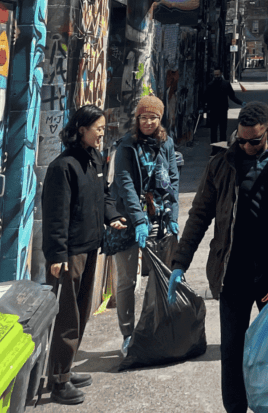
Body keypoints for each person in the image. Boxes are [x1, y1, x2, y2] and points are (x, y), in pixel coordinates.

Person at [167, 101, 268, 413]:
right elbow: (199, 215)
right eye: (242, 140)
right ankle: (235, 408)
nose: (247, 146)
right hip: (233, 272)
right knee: (233, 349)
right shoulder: (221, 162)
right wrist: (180, 262)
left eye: (255, 141)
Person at [42, 105, 125, 405]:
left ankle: (66, 368)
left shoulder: (95, 158)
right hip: (69, 254)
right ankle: (58, 381)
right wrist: (56, 255)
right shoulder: (62, 167)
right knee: (67, 316)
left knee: (82, 310)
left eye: (103, 127)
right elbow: (55, 216)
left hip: (91, 247)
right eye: (98, 128)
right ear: (81, 130)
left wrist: (111, 216)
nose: (102, 132)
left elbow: (103, 195)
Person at [108, 95, 180, 357]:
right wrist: (138, 220)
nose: (148, 122)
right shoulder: (127, 146)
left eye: (153, 117)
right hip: (128, 219)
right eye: (143, 117)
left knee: (158, 277)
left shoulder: (166, 143)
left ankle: (151, 328)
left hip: (158, 217)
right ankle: (127, 334)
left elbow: (173, 179)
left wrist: (173, 215)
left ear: (160, 119)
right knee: (127, 280)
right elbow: (125, 185)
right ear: (136, 119)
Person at [204, 69, 243, 144]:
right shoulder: (210, 85)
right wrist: (205, 107)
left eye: (218, 74)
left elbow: (232, 96)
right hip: (214, 111)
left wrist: (240, 103)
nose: (216, 76)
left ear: (221, 73)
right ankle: (215, 149)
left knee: (222, 131)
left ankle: (222, 148)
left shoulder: (226, 84)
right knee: (214, 131)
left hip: (222, 110)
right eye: (215, 75)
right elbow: (205, 98)